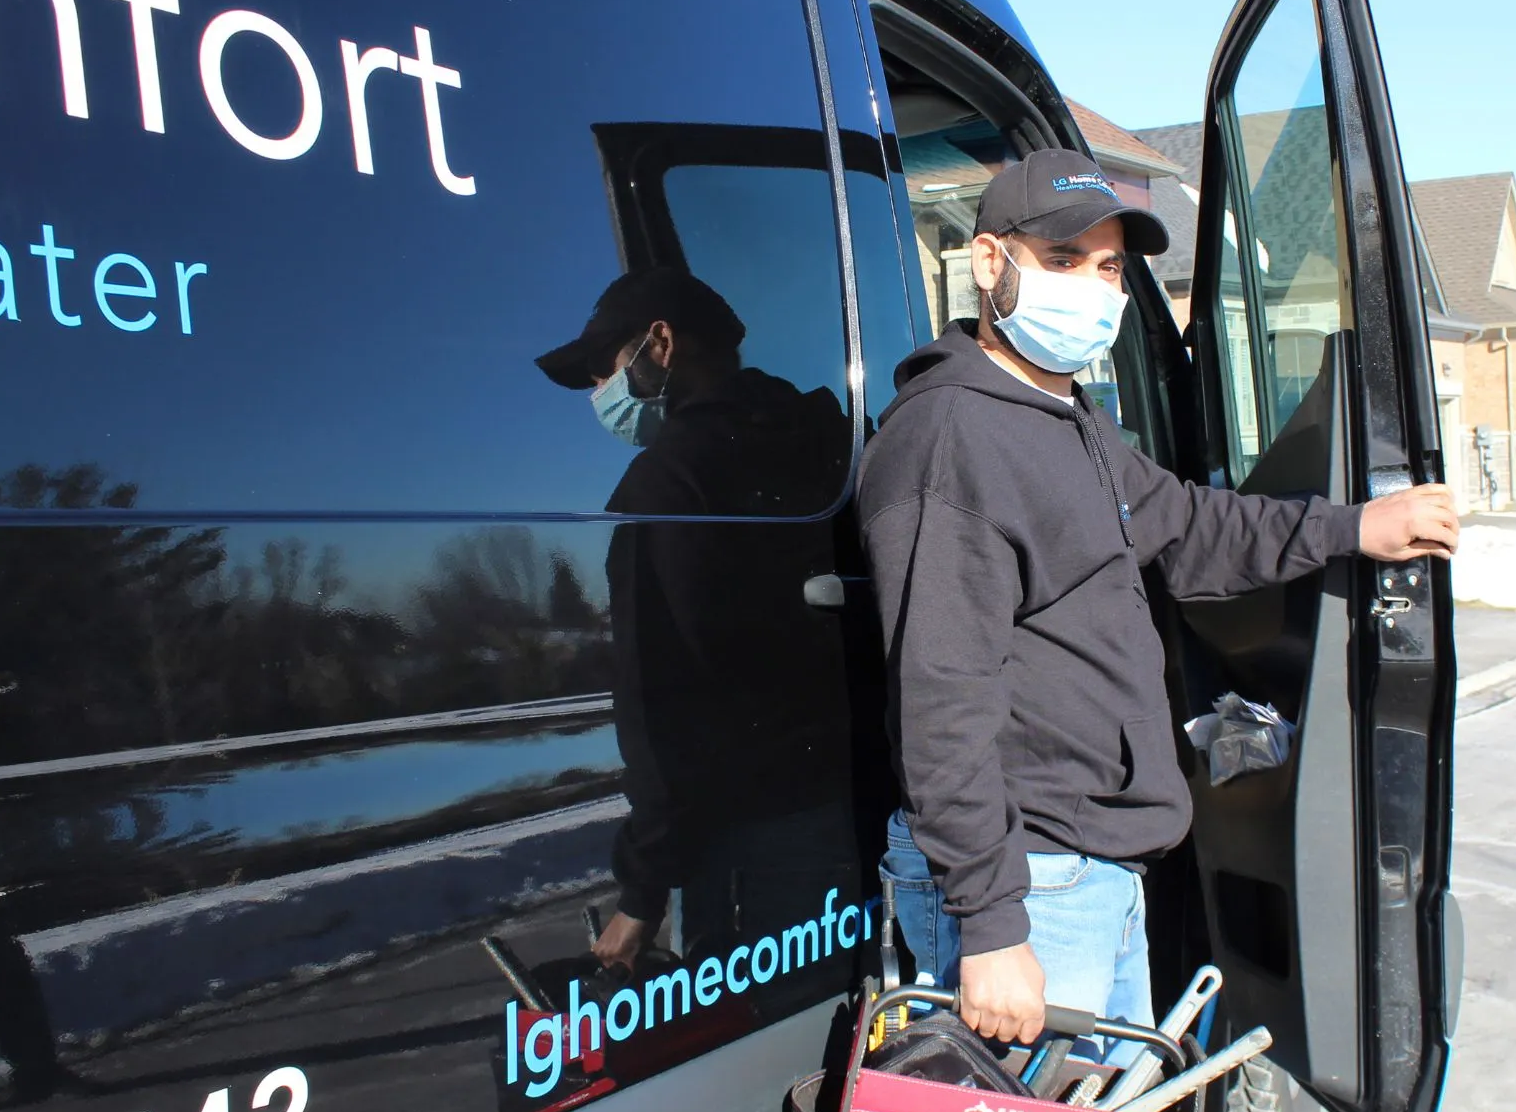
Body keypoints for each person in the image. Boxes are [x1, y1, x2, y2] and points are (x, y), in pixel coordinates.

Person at [855, 149, 1460, 1052]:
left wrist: (1354, 529)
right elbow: (942, 699)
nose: (1095, 289)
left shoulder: (1067, 420)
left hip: (1088, 872)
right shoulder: (952, 438)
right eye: (1062, 262)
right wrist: (990, 927)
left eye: (1108, 269)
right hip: (1030, 880)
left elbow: (1185, 526)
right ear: (989, 263)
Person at [535, 269, 859, 974]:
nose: (598, 395)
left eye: (602, 369)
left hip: (750, 837)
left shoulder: (669, 485)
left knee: (760, 1047)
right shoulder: (830, 443)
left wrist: (644, 890)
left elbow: (661, 705)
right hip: (852, 806)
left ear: (660, 344)